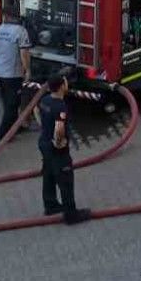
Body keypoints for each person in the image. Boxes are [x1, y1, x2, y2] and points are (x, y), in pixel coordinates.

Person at [38, 75, 91, 225]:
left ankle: (50, 205)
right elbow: (59, 129)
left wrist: (45, 130)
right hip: (57, 151)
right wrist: (60, 144)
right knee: (65, 181)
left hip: (44, 144)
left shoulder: (45, 100)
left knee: (48, 175)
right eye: (65, 82)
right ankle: (71, 215)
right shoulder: (60, 107)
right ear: (62, 86)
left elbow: (37, 111)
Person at [0, 8, 32, 142]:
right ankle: (2, 135)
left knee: (7, 102)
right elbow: (24, 53)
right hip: (12, 74)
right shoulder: (20, 31)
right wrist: (27, 70)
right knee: (13, 105)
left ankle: (14, 127)